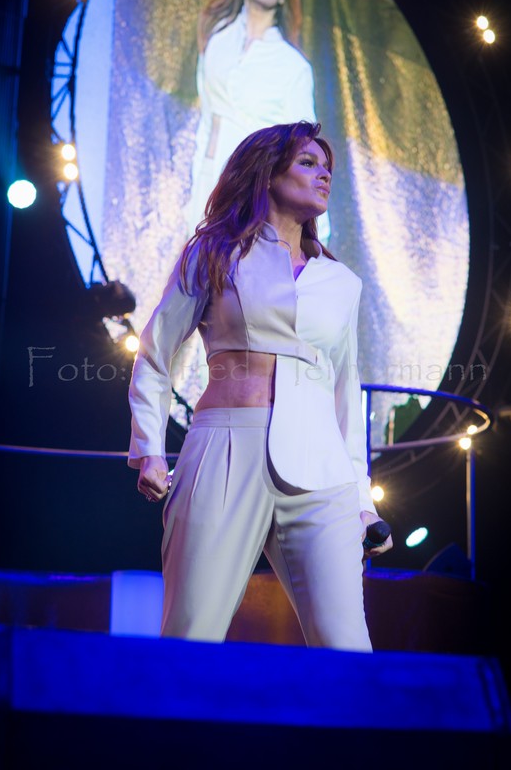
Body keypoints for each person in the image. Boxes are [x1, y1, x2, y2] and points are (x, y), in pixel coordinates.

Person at [128, 120, 392, 650]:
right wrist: (149, 448)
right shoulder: (215, 252)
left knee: (347, 648)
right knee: (191, 634)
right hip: (224, 452)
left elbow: (345, 392)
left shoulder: (341, 281)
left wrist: (362, 500)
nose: (323, 176)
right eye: (307, 163)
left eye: (327, 168)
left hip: (322, 472)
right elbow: (155, 352)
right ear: (267, 173)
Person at [186, 0, 330, 243]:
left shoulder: (292, 66)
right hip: (208, 181)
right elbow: (206, 120)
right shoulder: (218, 40)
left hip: (250, 195)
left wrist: (316, 235)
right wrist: (195, 191)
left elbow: (304, 148)